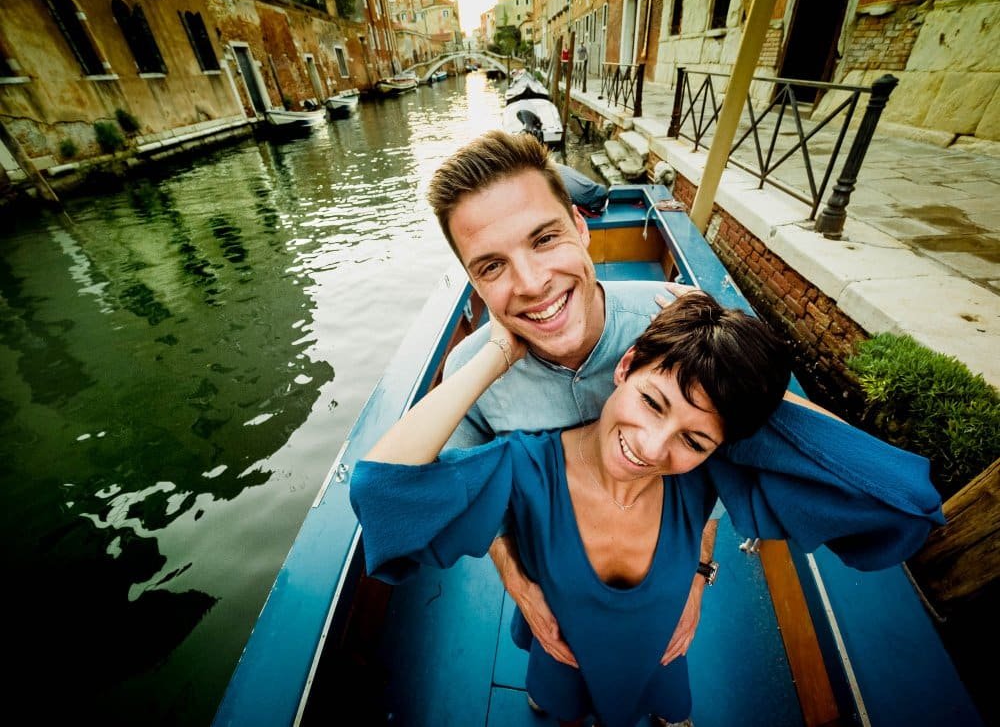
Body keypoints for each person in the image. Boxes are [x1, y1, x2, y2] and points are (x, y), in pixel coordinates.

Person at [350, 292, 944, 727]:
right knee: (558, 703)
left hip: (660, 647)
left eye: (694, 438)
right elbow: (381, 497)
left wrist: (755, 390)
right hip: (561, 646)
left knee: (665, 703)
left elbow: (907, 504)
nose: (653, 450)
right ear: (626, 366)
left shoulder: (702, 475)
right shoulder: (522, 467)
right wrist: (495, 354)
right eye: (654, 403)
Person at [425, 130, 722, 677]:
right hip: (547, 574)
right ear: (472, 282)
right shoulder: (469, 372)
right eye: (492, 266)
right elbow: (472, 495)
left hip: (661, 574)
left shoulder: (675, 324)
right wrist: (519, 585)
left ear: (581, 228)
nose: (532, 284)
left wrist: (697, 575)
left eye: (544, 239)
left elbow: (720, 467)